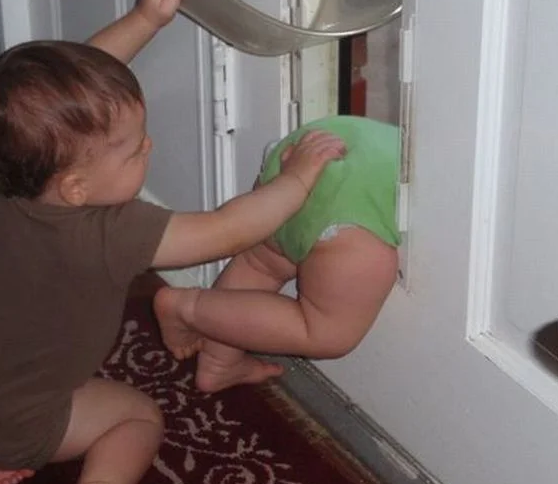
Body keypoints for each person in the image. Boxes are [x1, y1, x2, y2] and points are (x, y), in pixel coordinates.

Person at [0, 0, 347, 484]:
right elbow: (226, 231)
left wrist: (145, 20)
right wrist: (298, 178)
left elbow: (78, 91)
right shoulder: (110, 231)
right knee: (139, 415)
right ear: (77, 187)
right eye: (133, 151)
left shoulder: (19, 178)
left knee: (6, 394)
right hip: (16, 421)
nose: (150, 145)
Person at [154, 115, 401, 394]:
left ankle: (218, 363)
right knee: (325, 332)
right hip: (351, 213)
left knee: (259, 265)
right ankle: (188, 309)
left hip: (303, 153)